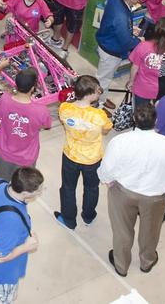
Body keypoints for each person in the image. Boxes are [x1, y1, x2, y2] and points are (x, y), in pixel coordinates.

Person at [99, 104, 165, 276]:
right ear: (156, 121)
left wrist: (107, 180)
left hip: (123, 193)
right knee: (151, 230)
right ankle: (147, 261)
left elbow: (107, 168)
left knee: (122, 231)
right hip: (155, 197)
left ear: (134, 120)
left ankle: (121, 265)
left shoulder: (119, 141)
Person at [0, 167, 42, 304]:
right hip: (2, 274)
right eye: (38, 191)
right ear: (25, 194)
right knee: (1, 300)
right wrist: (28, 246)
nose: (40, 192)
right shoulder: (12, 221)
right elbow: (0, 257)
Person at [55, 74, 112, 229]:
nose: (99, 92)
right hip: (92, 159)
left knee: (68, 188)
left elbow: (63, 122)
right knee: (92, 188)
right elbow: (106, 130)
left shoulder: (64, 108)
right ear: (91, 93)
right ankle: (88, 216)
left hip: (70, 155)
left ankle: (69, 220)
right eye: (97, 90)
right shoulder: (100, 115)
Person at [0, 68, 53, 180]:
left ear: (16, 84)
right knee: (20, 189)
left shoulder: (4, 99)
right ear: (32, 88)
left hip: (4, 152)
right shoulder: (41, 111)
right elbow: (47, 125)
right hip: (26, 157)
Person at [95, 0, 143, 100]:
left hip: (106, 41)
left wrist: (130, 29)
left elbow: (118, 26)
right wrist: (139, 41)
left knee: (105, 77)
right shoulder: (120, 17)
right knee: (103, 79)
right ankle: (97, 103)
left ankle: (102, 97)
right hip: (111, 51)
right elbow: (126, 42)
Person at [129, 22, 165, 107]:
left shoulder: (143, 46)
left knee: (141, 114)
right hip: (163, 88)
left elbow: (135, 67)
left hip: (143, 87)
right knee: (160, 112)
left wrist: (131, 82)